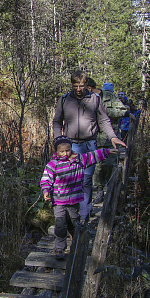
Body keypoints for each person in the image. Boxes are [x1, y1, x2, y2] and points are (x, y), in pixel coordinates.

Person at [53, 71, 127, 224]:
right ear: (72, 85)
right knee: (71, 180)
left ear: (87, 85)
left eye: (81, 86)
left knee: (86, 180)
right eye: (75, 86)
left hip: (89, 145)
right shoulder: (65, 100)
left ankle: (84, 217)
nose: (79, 89)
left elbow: (103, 120)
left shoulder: (94, 99)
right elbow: (57, 121)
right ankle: (72, 215)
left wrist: (112, 137)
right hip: (71, 146)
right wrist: (58, 140)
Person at [41, 135, 119, 258]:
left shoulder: (79, 160)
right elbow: (46, 179)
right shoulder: (53, 164)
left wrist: (107, 151)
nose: (65, 153)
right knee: (60, 224)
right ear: (56, 151)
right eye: (61, 151)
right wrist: (46, 191)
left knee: (74, 222)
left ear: (71, 148)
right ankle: (59, 248)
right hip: (59, 201)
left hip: (74, 200)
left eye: (68, 150)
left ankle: (76, 243)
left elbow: (93, 156)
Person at [87, 80, 130, 200]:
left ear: (89, 88)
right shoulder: (87, 98)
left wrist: (107, 112)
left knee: (110, 165)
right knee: (97, 167)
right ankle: (99, 191)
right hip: (93, 138)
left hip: (110, 139)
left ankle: (111, 192)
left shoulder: (109, 96)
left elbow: (123, 111)